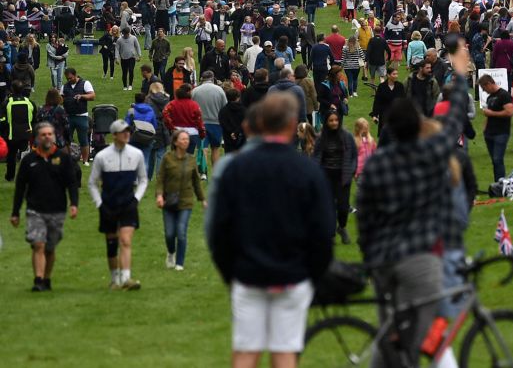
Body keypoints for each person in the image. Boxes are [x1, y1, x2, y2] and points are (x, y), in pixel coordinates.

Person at [356, 43, 473, 366]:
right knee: (424, 334)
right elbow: (453, 123)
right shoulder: (429, 154)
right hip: (419, 255)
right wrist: (461, 76)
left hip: (383, 258)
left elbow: (364, 215)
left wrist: (369, 256)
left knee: (391, 331)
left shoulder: (377, 163)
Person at [208, 92, 337, 368]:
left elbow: (219, 230)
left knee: (245, 351)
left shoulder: (236, 168)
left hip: (248, 273)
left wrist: (231, 272)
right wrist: (312, 274)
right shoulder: (307, 170)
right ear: (293, 126)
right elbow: (324, 231)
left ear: (260, 123)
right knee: (285, 353)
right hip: (292, 274)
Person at [9, 122, 80, 292]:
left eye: (50, 134)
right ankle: (38, 280)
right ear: (37, 138)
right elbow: (20, 187)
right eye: (44, 134)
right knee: (38, 244)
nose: (47, 137)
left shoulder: (63, 159)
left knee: (50, 248)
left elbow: (71, 183)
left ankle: (47, 278)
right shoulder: (29, 160)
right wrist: (15, 212)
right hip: (35, 209)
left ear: (54, 136)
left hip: (57, 209)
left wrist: (74, 204)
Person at [88, 118, 148, 290]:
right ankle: (114, 278)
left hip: (128, 203)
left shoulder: (136, 154)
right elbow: (92, 183)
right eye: (123, 132)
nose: (127, 134)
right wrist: (99, 204)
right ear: (114, 135)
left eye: (128, 131)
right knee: (112, 244)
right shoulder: (102, 157)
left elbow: (143, 179)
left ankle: (126, 278)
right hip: (108, 205)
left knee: (126, 240)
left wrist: (136, 198)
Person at [156, 128, 204, 270]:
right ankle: (171, 253)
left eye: (187, 139)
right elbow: (161, 179)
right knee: (170, 233)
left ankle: (179, 264)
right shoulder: (167, 158)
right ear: (176, 142)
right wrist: (159, 195)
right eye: (183, 139)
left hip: (186, 201)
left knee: (181, 231)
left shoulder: (191, 160)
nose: (186, 141)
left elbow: (196, 181)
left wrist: (202, 199)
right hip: (168, 201)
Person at [313, 108, 357, 244]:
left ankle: (342, 227)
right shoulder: (321, 138)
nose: (334, 123)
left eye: (336, 120)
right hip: (326, 176)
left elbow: (354, 156)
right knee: (329, 206)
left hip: (343, 176)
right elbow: (316, 157)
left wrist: (352, 171)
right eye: (331, 120)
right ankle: (331, 233)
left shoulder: (347, 136)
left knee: (343, 207)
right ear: (326, 122)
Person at [478, 72, 513, 182]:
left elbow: (509, 112)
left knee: (498, 159)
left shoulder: (504, 95)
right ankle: (497, 182)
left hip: (501, 132)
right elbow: (489, 114)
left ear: (489, 84)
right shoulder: (490, 98)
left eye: (484, 88)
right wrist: (485, 127)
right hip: (489, 132)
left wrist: (491, 114)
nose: (484, 91)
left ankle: (501, 183)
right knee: (494, 160)